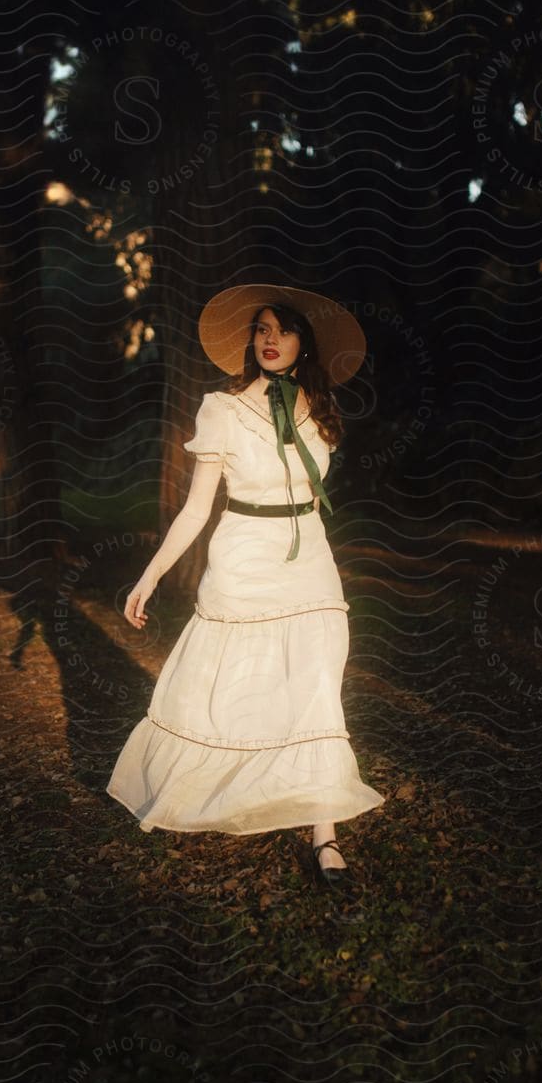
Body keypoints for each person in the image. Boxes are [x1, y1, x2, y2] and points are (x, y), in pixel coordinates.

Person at [105, 283, 385, 896]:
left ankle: (325, 834)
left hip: (309, 554)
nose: (269, 340)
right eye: (260, 330)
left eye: (281, 330)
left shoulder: (318, 402)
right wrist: (148, 576)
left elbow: (311, 494)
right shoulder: (222, 409)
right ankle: (203, 787)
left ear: (302, 342)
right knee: (232, 683)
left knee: (315, 681)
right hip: (241, 553)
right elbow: (196, 508)